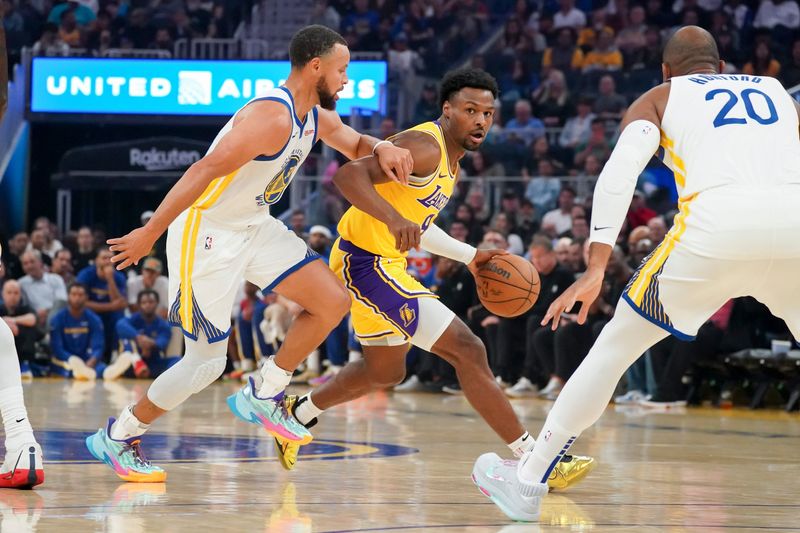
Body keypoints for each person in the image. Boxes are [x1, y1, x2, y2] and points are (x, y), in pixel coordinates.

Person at [473, 26, 800, 522]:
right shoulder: (778, 93)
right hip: (793, 228)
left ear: (666, 69)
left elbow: (620, 172)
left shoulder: (660, 96)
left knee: (612, 351)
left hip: (713, 233)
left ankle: (528, 480)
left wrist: (596, 266)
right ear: (722, 65)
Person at [86, 25, 413, 482]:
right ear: (315, 66)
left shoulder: (315, 114)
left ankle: (265, 389)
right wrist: (151, 231)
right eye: (342, 70)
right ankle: (119, 435)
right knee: (205, 363)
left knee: (332, 301)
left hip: (254, 225)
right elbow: (202, 170)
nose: (346, 80)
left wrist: (383, 146)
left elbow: (354, 142)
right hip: (208, 232)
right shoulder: (271, 117)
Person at [265, 68, 594, 488]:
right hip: (365, 262)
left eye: (487, 114)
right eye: (470, 110)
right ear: (447, 110)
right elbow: (347, 176)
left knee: (385, 372)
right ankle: (536, 458)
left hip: (384, 262)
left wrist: (471, 256)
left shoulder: (450, 161)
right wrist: (392, 217)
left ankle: (296, 413)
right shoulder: (424, 146)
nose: (480, 121)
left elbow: (418, 224)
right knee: (468, 348)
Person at [50, 283, 132, 381]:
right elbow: (57, 348)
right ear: (68, 296)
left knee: (101, 368)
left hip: (88, 360)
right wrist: (71, 358)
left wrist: (92, 360)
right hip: (67, 360)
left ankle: (108, 372)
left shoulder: (94, 319)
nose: (77, 298)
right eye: (74, 294)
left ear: (86, 297)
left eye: (80, 295)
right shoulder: (57, 319)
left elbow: (98, 345)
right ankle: (81, 372)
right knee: (68, 367)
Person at [76, 247, 128, 358]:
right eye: (104, 258)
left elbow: (121, 304)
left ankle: (115, 354)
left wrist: (110, 279)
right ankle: (93, 355)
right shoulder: (85, 275)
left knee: (119, 318)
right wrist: (110, 306)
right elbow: (80, 302)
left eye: (111, 258)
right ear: (96, 261)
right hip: (90, 312)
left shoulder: (119, 277)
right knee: (92, 317)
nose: (108, 261)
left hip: (110, 314)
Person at [116, 289, 178, 379]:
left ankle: (149, 372)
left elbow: (162, 342)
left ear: (157, 303)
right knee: (126, 342)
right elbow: (120, 325)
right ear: (139, 305)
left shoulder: (163, 324)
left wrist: (150, 343)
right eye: (144, 302)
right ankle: (138, 366)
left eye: (151, 302)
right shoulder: (134, 319)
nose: (147, 305)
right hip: (133, 361)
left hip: (153, 362)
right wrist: (138, 337)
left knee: (177, 360)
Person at [0, 281, 40, 379]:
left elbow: (32, 319)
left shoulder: (25, 308)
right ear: (2, 294)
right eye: (9, 292)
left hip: (21, 345)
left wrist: (12, 321)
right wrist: (6, 326)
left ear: (20, 295)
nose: (13, 296)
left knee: (29, 328)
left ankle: (25, 364)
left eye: (16, 293)